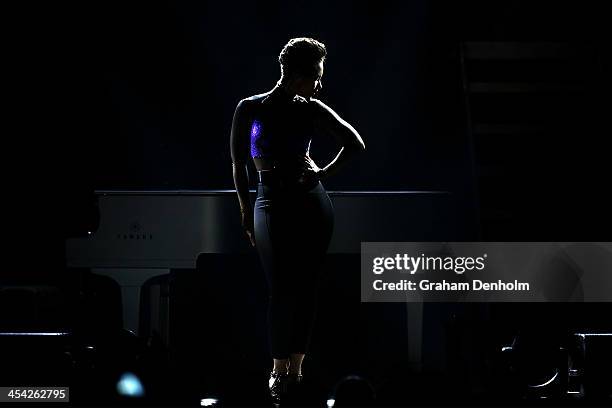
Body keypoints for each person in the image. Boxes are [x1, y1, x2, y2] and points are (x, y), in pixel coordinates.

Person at [230, 37, 365, 404]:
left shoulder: (312, 108)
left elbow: (355, 143)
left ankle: (297, 371)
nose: (320, 84)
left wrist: (321, 172)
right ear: (298, 76)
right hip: (271, 201)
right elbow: (239, 164)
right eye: (316, 76)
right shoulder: (250, 108)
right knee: (282, 289)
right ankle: (278, 370)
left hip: (310, 204)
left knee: (306, 288)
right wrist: (245, 208)